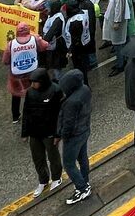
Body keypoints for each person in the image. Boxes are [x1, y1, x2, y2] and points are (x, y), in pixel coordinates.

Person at [20, 69, 63, 197]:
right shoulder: (30, 92)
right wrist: (25, 132)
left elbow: (59, 114)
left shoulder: (55, 91)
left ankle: (56, 178)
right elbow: (26, 112)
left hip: (49, 131)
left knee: (53, 156)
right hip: (34, 132)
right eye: (32, 82)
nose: (33, 85)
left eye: (35, 82)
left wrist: (57, 134)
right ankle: (43, 180)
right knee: (38, 158)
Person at [58, 69, 93, 205]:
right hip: (84, 129)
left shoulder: (71, 102)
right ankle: (84, 180)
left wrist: (63, 135)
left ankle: (82, 188)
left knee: (68, 163)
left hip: (74, 135)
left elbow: (68, 123)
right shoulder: (85, 89)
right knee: (83, 158)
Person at [2, 23, 49, 124]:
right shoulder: (35, 39)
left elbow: (5, 61)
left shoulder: (11, 44)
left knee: (15, 95)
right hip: (33, 73)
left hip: (16, 76)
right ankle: (37, 112)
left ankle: (15, 116)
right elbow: (45, 46)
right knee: (36, 93)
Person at [103, 0, 132, 76]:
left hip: (117, 23)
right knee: (120, 43)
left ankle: (120, 65)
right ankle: (122, 61)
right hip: (115, 21)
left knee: (118, 44)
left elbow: (119, 8)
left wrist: (117, 21)